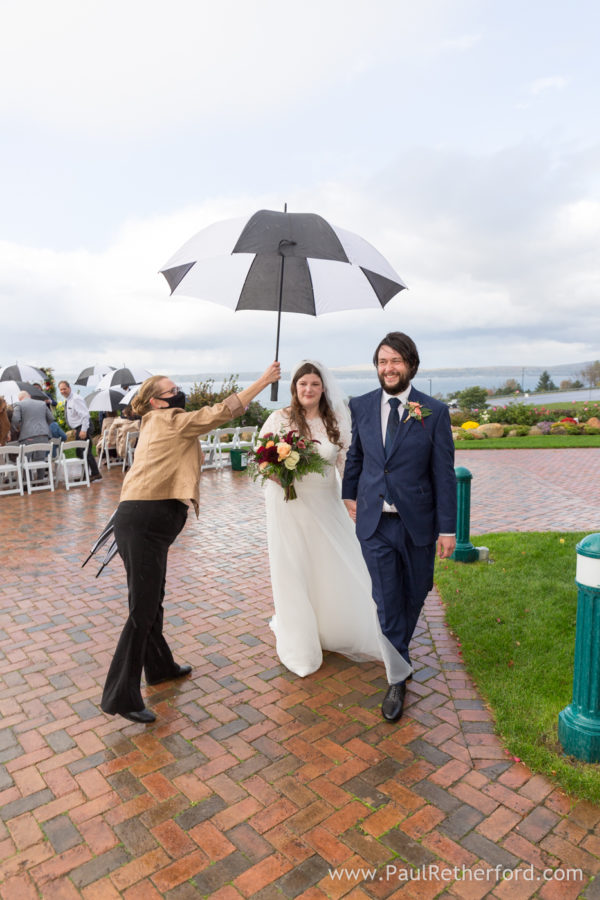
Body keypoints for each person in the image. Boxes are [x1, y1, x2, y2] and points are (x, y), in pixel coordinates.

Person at [100, 362, 280, 724]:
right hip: (145, 522)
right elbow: (222, 412)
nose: (178, 393)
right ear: (156, 402)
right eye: (172, 391)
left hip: (148, 522)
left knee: (153, 598)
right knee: (142, 607)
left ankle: (160, 667)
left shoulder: (157, 423)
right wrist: (263, 380)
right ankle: (120, 695)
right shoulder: (171, 421)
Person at [259, 360, 409, 682]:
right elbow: (262, 461)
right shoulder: (279, 418)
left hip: (325, 504)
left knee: (330, 563)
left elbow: (347, 464)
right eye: (303, 385)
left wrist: (354, 498)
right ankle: (301, 637)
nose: (308, 390)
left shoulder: (336, 421)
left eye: (314, 384)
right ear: (294, 388)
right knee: (294, 567)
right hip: (288, 506)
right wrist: (278, 473)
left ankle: (333, 626)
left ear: (323, 388)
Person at [342, 333, 457, 723]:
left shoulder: (434, 412)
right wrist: (349, 493)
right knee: (387, 598)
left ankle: (398, 652)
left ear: (410, 364)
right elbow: (356, 454)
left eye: (395, 361)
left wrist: (447, 529)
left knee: (417, 590)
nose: (387, 368)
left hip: (418, 522)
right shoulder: (360, 406)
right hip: (374, 522)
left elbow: (443, 474)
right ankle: (397, 676)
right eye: (381, 361)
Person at [58, 380, 102, 482]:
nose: (62, 391)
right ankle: (86, 475)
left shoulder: (76, 399)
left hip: (83, 427)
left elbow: (85, 415)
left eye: (64, 389)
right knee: (81, 452)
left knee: (84, 452)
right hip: (78, 428)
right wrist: (75, 429)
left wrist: (83, 430)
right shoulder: (69, 399)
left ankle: (95, 473)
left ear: (69, 388)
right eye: (60, 389)